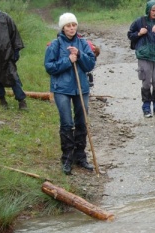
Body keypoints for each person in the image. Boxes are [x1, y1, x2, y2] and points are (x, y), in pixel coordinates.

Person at [44, 13, 96, 175]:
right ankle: (67, 157)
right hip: (61, 89)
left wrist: (79, 55)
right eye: (68, 25)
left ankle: (80, 156)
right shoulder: (55, 45)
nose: (72, 28)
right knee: (66, 123)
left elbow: (90, 64)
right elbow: (49, 67)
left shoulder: (82, 43)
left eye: (74, 25)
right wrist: (68, 60)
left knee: (82, 121)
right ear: (63, 27)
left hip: (81, 88)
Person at [0, 0, 27, 110]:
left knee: (13, 77)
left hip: (6, 55)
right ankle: (2, 100)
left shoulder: (6, 18)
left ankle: (22, 101)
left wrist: (16, 51)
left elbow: (14, 34)